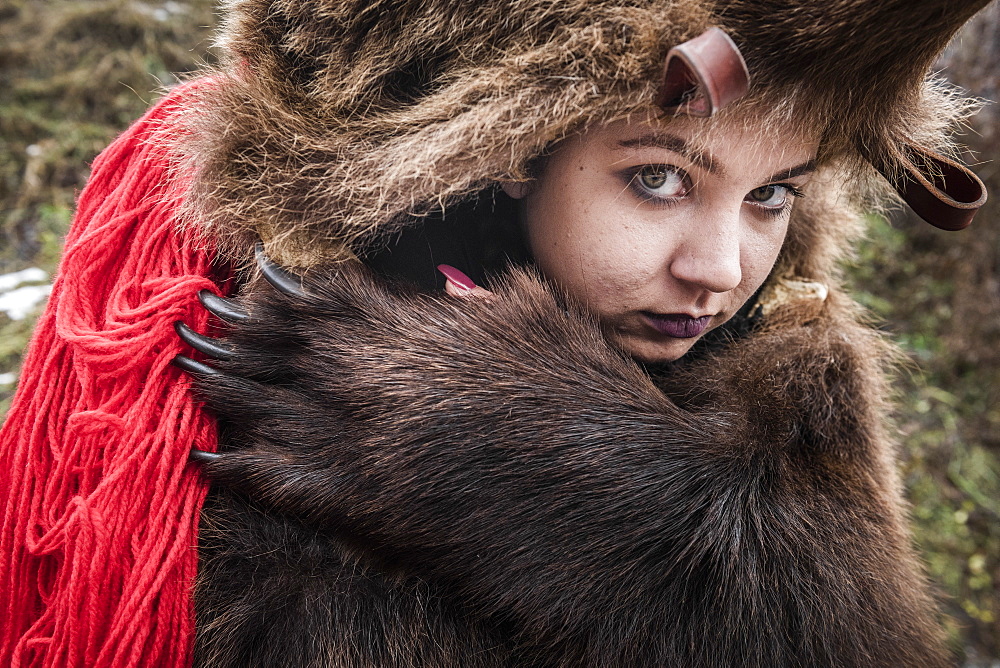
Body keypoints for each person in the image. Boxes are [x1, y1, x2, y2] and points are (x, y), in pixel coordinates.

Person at [0, 0, 991, 666]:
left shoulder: (789, 413)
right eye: (657, 178)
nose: (721, 268)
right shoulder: (262, 330)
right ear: (517, 153)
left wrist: (600, 485)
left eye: (772, 194)